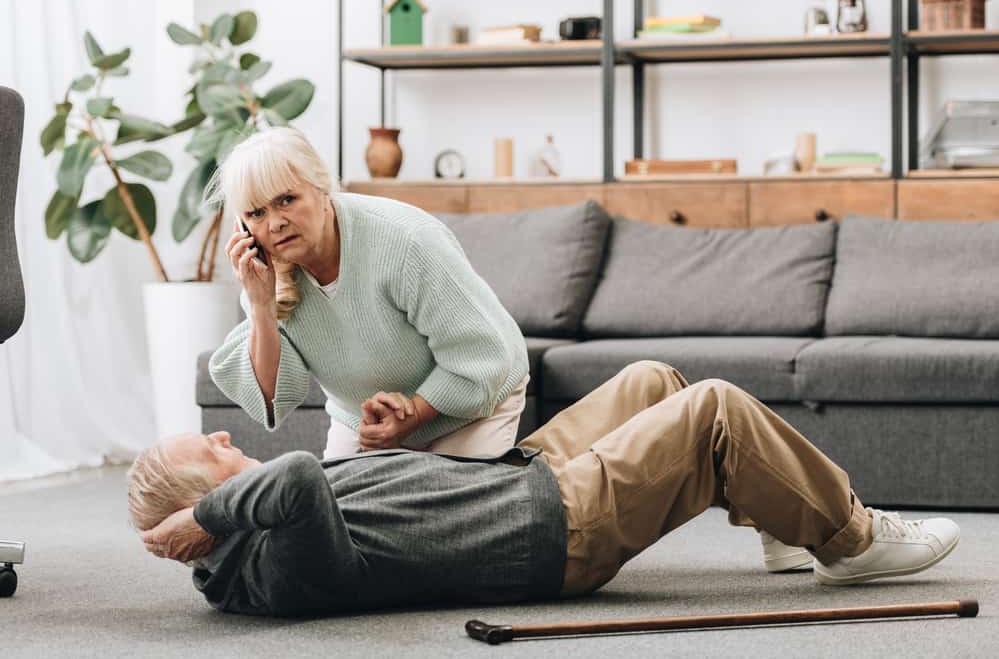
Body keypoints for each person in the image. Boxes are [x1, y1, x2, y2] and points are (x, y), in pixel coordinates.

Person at [130, 362, 960, 617]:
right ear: (198, 502)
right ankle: (848, 539)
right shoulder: (268, 572)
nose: (224, 437)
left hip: (517, 481)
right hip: (552, 531)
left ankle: (783, 515)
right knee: (713, 408)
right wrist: (207, 512)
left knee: (650, 379)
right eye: (206, 449)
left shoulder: (260, 531)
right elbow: (304, 478)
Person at [205, 127, 529, 459]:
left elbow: (482, 355)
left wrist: (413, 414)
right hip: (365, 421)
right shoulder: (264, 275)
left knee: (452, 508)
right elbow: (274, 396)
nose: (274, 224)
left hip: (473, 399)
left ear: (322, 187)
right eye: (256, 213)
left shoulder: (407, 240)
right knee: (336, 510)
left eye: (286, 200)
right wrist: (261, 305)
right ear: (242, 226)